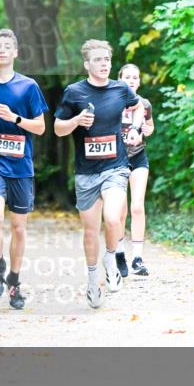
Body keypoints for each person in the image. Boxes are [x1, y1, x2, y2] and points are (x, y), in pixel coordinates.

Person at [54, 39, 143, 308]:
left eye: (107, 59)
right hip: (86, 173)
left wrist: (135, 128)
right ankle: (93, 281)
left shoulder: (120, 89)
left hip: (115, 166)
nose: (104, 64)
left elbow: (138, 105)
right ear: (86, 64)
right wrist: (76, 121)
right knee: (91, 231)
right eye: (98, 60)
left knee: (113, 218)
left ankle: (111, 257)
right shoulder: (73, 92)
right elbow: (58, 128)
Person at [0, 28, 48, 310]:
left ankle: (14, 280)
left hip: (21, 164)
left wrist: (15, 118)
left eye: (7, 46)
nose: (2, 50)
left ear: (15, 52)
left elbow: (39, 127)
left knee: (18, 226)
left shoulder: (28, 87)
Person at [116, 64, 154, 277]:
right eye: (127, 77)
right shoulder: (113, 101)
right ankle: (119, 253)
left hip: (138, 157)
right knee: (120, 211)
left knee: (137, 206)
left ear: (139, 82)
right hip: (116, 160)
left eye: (135, 77)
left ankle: (138, 258)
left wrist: (146, 130)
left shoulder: (145, 104)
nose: (131, 80)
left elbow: (150, 126)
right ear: (120, 79)